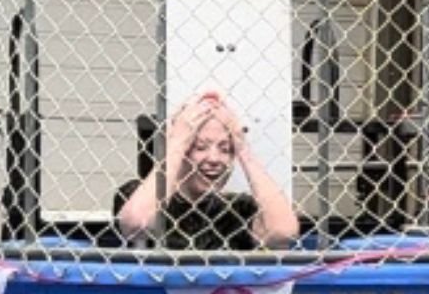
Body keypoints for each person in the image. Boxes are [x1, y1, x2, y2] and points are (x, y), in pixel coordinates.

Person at [114, 92, 299, 250]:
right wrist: (177, 142)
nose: (214, 159)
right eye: (200, 147)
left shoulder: (237, 209)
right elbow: (137, 223)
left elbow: (283, 231)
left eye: (225, 149)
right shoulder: (137, 194)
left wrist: (243, 149)